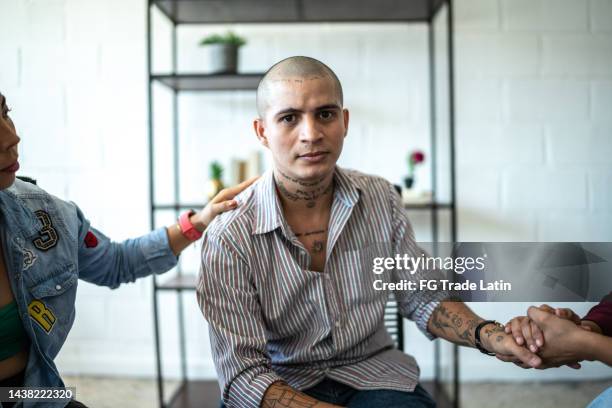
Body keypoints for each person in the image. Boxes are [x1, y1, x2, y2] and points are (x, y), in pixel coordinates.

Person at [196, 56, 541, 408]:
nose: (311, 134)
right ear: (262, 132)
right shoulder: (229, 236)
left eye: (325, 114)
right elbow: (243, 377)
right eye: (289, 118)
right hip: (280, 383)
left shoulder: (381, 198)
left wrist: (490, 336)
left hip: (376, 377)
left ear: (344, 122)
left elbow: (422, 296)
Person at [0, 91, 255, 408]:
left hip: (35, 393)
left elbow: (115, 263)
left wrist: (199, 222)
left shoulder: (44, 213)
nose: (12, 137)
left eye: (5, 112)